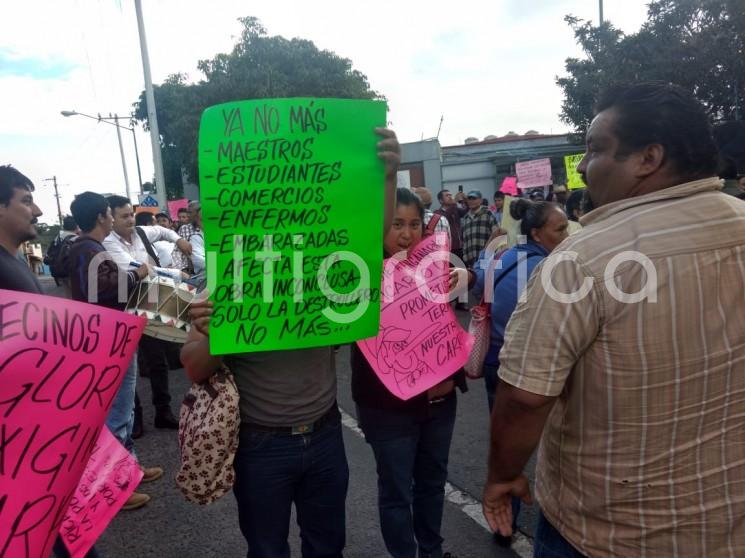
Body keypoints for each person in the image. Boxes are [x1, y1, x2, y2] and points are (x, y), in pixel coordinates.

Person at [482, 82, 745, 556]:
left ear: (648, 159)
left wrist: (502, 476)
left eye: (594, 149)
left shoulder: (581, 259)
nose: (581, 167)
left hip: (605, 534)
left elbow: (524, 397)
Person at [181, 128, 400, 558]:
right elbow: (193, 367)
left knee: (327, 546)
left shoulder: (323, 272)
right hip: (262, 446)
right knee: (266, 549)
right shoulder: (220, 289)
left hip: (324, 435)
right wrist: (218, 332)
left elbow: (368, 238)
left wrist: (387, 176)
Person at [351, 187, 465, 558]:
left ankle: (432, 550)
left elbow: (466, 284)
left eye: (415, 223)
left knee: (432, 485)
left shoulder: (434, 263)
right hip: (388, 410)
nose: (407, 233)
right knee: (397, 492)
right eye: (396, 223)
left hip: (440, 402)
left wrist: (464, 277)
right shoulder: (358, 273)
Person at [0, 166, 101, 558]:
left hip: (39, 434)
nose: (38, 211)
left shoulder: (13, 263)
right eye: (25, 201)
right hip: (20, 442)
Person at [463, 199, 567, 547]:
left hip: (495, 362)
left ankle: (503, 520)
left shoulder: (503, 256)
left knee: (505, 436)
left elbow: (477, 290)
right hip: (533, 369)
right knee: (548, 439)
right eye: (561, 229)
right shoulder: (551, 273)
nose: (567, 235)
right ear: (537, 232)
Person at [69, 191, 162, 511]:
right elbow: (105, 289)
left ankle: (129, 470)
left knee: (124, 411)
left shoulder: (89, 248)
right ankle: (116, 486)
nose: (113, 218)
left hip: (115, 336)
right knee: (117, 414)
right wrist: (138, 273)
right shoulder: (86, 249)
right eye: (110, 213)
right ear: (100, 217)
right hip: (109, 339)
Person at [104, 195, 192, 429]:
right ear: (111, 218)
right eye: (124, 216)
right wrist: (175, 274)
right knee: (128, 365)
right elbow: (133, 268)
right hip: (125, 306)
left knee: (157, 361)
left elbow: (163, 232)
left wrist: (178, 240)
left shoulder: (142, 232)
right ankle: (136, 420)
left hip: (152, 302)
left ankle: (163, 412)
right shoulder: (108, 242)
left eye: (131, 214)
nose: (130, 220)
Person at [460, 190, 497, 270]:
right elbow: (463, 240)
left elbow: (496, 234)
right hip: (470, 262)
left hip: (486, 259)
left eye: (474, 198)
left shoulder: (488, 214)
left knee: (486, 280)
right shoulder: (465, 218)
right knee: (475, 281)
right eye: (469, 199)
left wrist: (488, 251)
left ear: (480, 200)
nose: (471, 201)